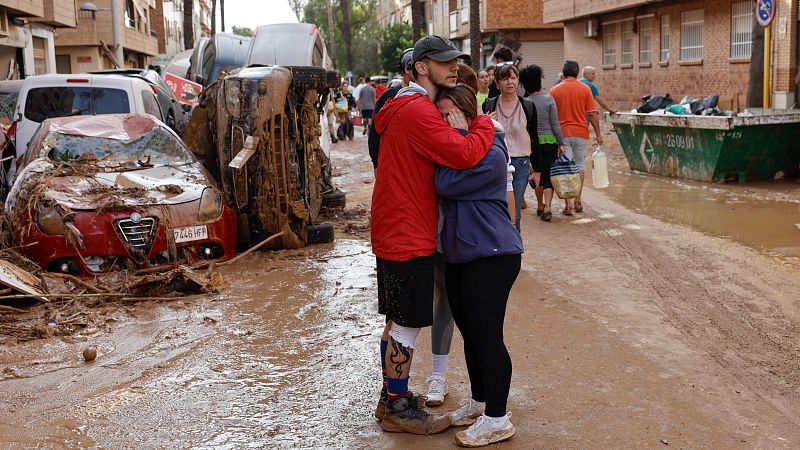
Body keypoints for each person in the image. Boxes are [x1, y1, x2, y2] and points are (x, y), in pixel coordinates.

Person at [371, 35, 495, 435]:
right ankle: (397, 408)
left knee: (396, 321)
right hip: (408, 230)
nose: (453, 66)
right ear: (422, 66)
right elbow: (464, 154)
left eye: (455, 60)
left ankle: (394, 397)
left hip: (394, 226)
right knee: (406, 324)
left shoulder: (400, 105)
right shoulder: (418, 110)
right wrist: (482, 123)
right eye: (444, 62)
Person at [434, 83, 523, 447]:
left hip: (493, 254)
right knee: (471, 335)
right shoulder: (455, 148)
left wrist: (457, 138)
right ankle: (480, 402)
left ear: (468, 114)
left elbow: (446, 182)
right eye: (438, 115)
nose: (443, 121)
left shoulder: (492, 151)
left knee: (488, 338)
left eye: (450, 114)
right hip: (460, 254)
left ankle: (498, 418)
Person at [482, 63, 540, 232]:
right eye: (505, 78)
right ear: (497, 83)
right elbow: (481, 136)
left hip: (521, 164)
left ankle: (514, 248)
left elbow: (534, 138)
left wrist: (537, 170)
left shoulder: (528, 105)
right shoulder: (489, 105)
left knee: (514, 210)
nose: (510, 82)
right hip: (496, 163)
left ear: (518, 80)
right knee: (498, 207)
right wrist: (485, 122)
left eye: (513, 78)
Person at [550, 60, 603, 215]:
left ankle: (568, 204)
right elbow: (592, 114)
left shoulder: (554, 90)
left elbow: (550, 114)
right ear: (577, 72)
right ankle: (578, 200)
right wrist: (599, 134)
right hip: (581, 133)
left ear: (564, 72)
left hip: (562, 134)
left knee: (566, 167)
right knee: (579, 165)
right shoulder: (585, 89)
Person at [520, 64, 564, 222]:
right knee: (547, 175)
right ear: (539, 82)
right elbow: (555, 124)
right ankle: (548, 208)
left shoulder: (523, 102)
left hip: (532, 144)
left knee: (536, 173)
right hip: (550, 142)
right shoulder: (548, 100)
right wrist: (561, 142)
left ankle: (539, 204)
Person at [368, 48, 414, 170]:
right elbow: (375, 132)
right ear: (406, 69)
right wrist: (376, 163)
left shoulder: (429, 94)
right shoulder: (388, 96)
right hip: (393, 164)